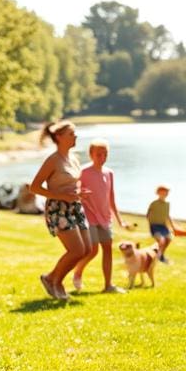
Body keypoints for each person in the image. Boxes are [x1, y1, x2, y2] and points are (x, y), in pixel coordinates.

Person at [29, 120, 89, 300]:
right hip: (58, 209)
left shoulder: (74, 158)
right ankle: (54, 280)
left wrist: (79, 192)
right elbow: (34, 187)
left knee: (86, 250)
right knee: (76, 250)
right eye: (71, 134)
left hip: (75, 207)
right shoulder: (53, 160)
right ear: (59, 137)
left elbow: (72, 183)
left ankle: (52, 279)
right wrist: (62, 196)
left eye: (75, 133)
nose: (75, 136)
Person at [71, 139, 130, 294]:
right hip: (88, 215)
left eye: (105, 154)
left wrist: (119, 219)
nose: (102, 157)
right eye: (99, 154)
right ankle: (78, 271)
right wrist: (79, 195)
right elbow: (74, 192)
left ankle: (108, 285)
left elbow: (111, 198)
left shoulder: (109, 173)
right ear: (91, 155)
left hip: (105, 218)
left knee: (108, 249)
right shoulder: (83, 172)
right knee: (92, 250)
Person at [147, 185, 185, 262]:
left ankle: (160, 255)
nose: (165, 194)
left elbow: (167, 216)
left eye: (167, 192)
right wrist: (151, 225)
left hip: (163, 226)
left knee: (169, 238)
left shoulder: (167, 204)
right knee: (161, 240)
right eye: (163, 192)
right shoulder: (154, 203)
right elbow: (148, 214)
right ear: (158, 193)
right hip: (154, 226)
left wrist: (173, 226)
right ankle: (155, 254)